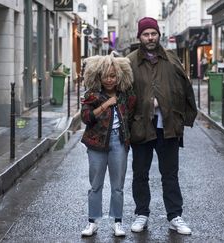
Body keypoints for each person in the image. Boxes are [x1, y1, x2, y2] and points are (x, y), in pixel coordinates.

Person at [126, 17, 197, 235]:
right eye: (146, 34)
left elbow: (186, 88)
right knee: (140, 173)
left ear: (159, 35)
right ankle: (141, 214)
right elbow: (123, 95)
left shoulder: (172, 59)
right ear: (139, 37)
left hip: (168, 125)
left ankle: (175, 215)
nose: (150, 38)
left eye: (153, 34)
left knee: (170, 174)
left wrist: (186, 115)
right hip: (141, 126)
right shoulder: (128, 63)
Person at [80, 53, 136, 237]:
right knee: (95, 185)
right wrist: (105, 105)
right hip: (96, 144)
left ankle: (117, 222)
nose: (109, 80)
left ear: (119, 75)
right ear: (99, 76)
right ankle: (92, 222)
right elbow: (86, 118)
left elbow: (133, 112)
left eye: (113, 75)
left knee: (117, 186)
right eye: (106, 76)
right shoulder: (92, 95)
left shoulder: (125, 94)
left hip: (118, 142)